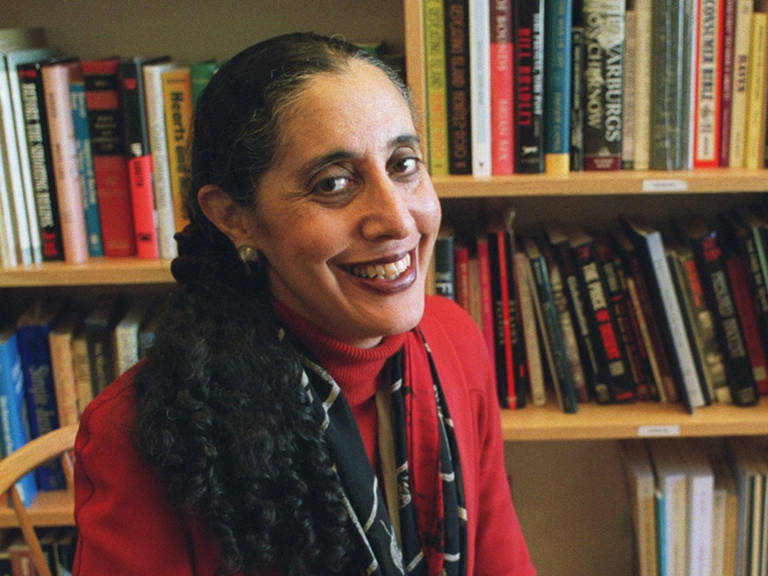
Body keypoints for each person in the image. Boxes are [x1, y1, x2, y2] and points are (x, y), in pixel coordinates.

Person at [73, 32, 536, 576]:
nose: (397, 219)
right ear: (233, 216)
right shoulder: (142, 431)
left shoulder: (453, 340)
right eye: (334, 183)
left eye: (403, 164)